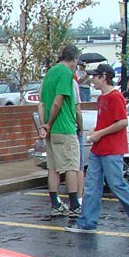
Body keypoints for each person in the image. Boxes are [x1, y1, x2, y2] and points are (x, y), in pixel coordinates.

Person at [65, 63, 129, 235]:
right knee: (92, 186)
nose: (92, 80)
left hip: (112, 149)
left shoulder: (115, 97)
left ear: (104, 77)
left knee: (117, 184)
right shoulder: (102, 98)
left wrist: (100, 133)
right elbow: (106, 121)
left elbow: (122, 122)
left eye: (95, 76)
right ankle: (87, 223)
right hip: (100, 149)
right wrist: (95, 131)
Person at [38, 45, 81, 218]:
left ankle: (55, 203)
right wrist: (50, 123)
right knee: (71, 166)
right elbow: (58, 101)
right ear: (74, 59)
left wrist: (44, 126)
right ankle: (74, 205)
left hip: (51, 132)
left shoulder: (49, 74)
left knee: (53, 168)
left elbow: (41, 104)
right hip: (64, 128)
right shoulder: (66, 74)